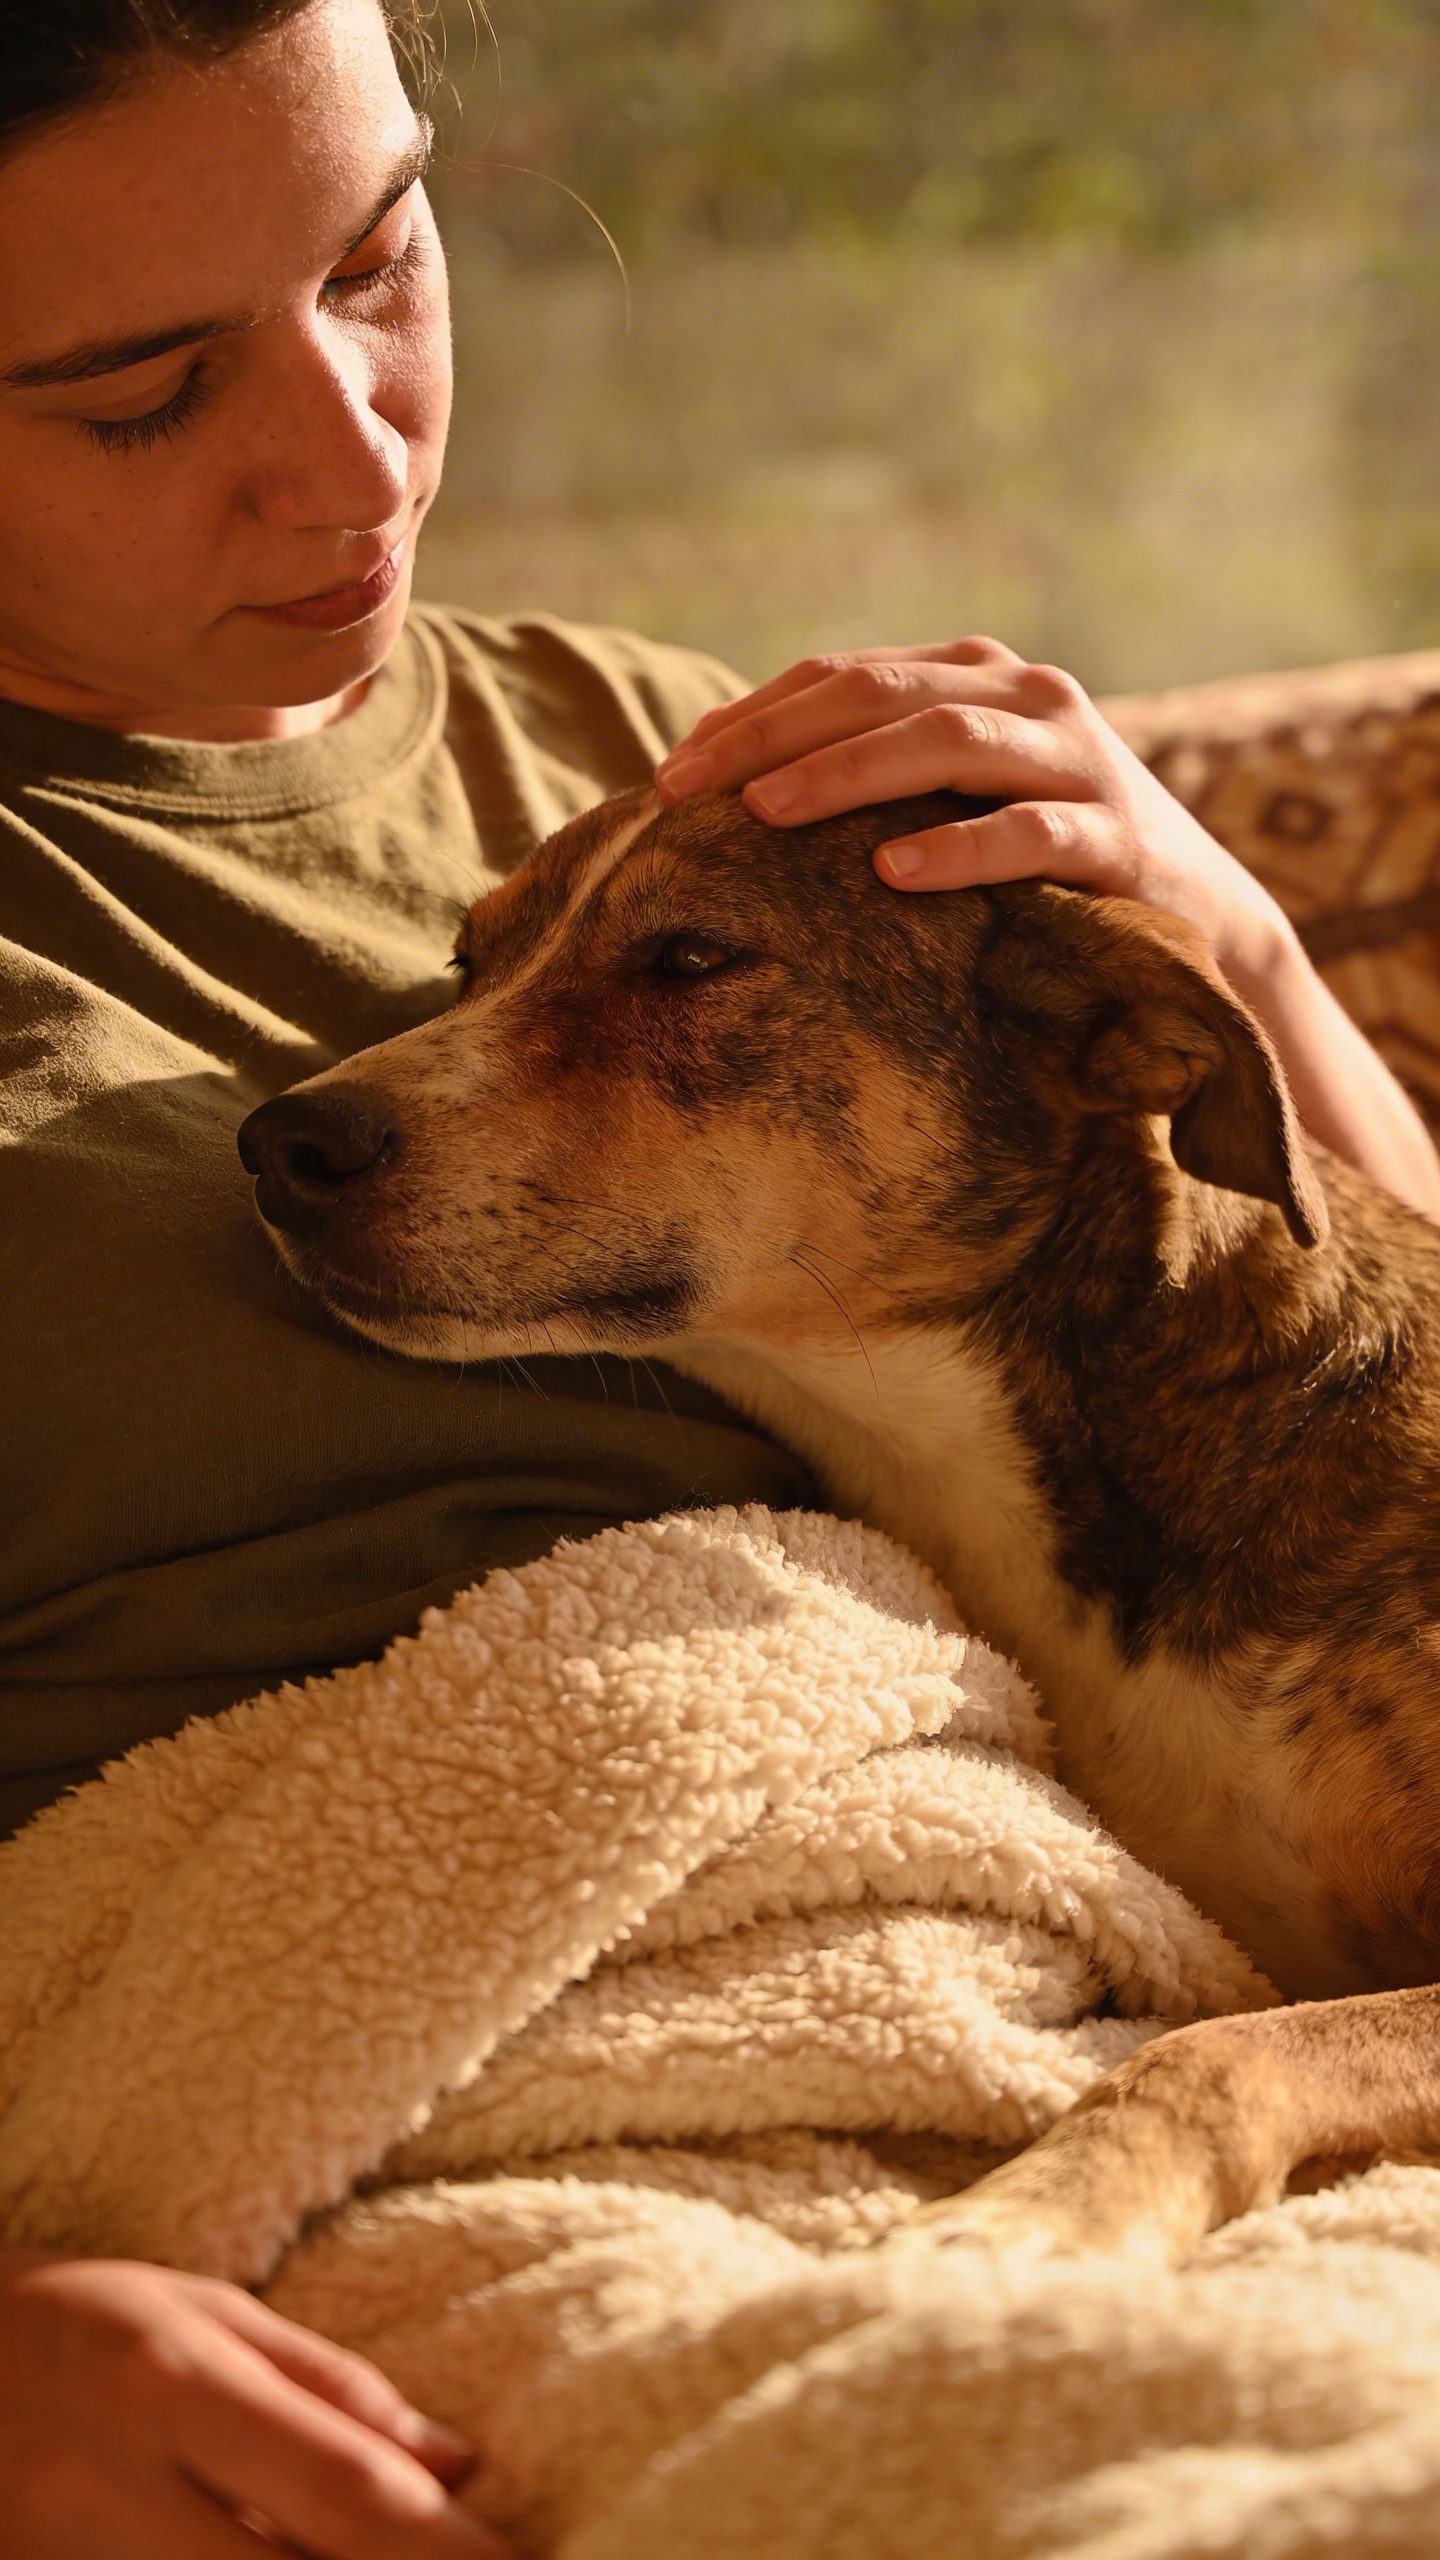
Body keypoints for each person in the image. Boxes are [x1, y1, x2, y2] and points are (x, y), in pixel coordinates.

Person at [1, 1, 1436, 2553]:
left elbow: (1344, 1387)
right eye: (135, 394)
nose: (351, 448)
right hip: (409, 2098)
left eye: (381, 256)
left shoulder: (685, 761)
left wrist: (1246, 950)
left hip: (1126, 1993)